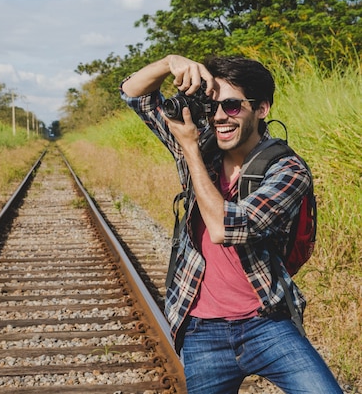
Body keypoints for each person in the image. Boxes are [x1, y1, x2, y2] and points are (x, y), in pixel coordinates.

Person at [120, 54, 342, 393]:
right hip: (201, 330)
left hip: (266, 322)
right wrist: (170, 63)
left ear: (262, 108)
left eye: (233, 106)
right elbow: (135, 94)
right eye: (212, 108)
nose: (220, 117)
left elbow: (226, 228)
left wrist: (190, 149)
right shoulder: (204, 148)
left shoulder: (288, 171)